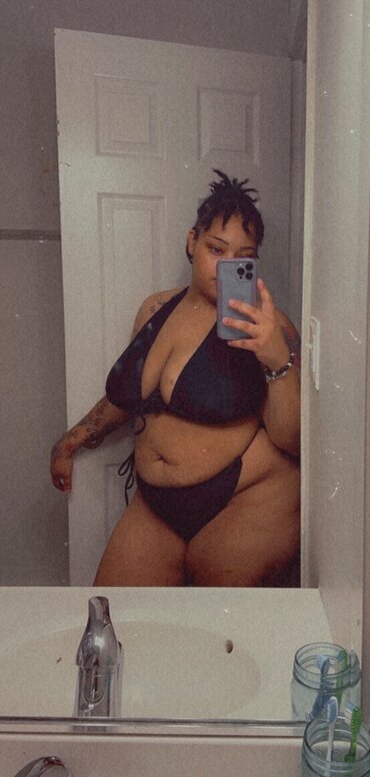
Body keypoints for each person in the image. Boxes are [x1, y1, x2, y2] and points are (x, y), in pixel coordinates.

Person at [50, 170, 301, 587]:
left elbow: (293, 439)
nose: (226, 265)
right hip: (156, 506)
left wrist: (275, 356)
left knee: (213, 621)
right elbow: (129, 396)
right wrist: (71, 440)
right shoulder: (154, 309)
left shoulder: (269, 328)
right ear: (191, 242)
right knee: (116, 616)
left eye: (243, 256)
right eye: (215, 248)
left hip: (245, 497)